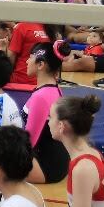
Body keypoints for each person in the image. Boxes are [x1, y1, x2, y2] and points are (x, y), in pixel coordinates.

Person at [23, 42, 71, 184]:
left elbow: (29, 141)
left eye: (30, 57)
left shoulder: (41, 96)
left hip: (46, 166)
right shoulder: (55, 88)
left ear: (40, 65)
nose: (26, 61)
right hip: (58, 161)